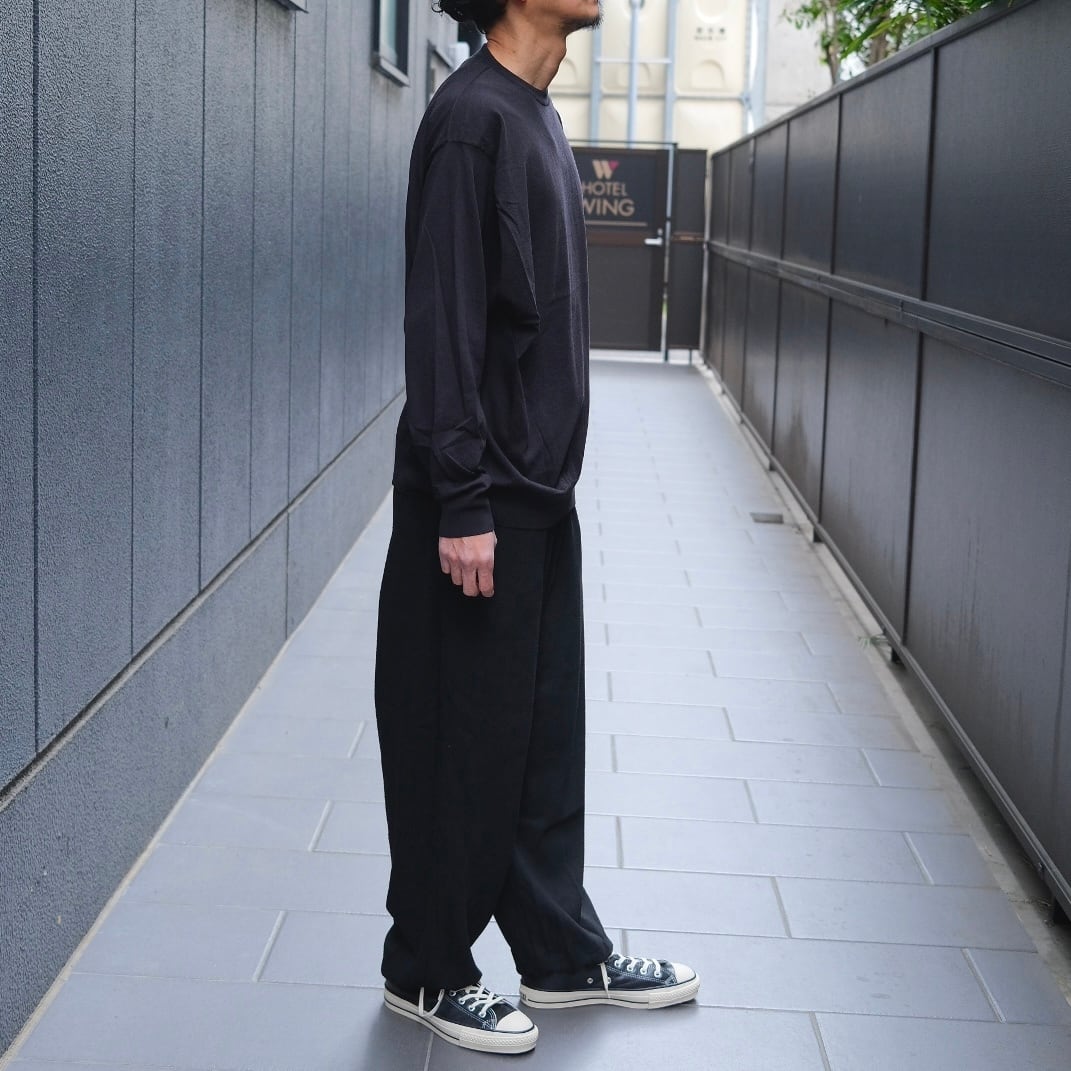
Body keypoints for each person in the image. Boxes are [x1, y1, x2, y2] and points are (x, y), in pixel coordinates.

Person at [374, 0, 699, 1055]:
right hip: (479, 503)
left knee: (541, 743)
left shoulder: (535, 114)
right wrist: (462, 499)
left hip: (537, 496)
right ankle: (425, 966)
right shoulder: (472, 119)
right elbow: (443, 318)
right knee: (457, 743)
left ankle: (559, 952)